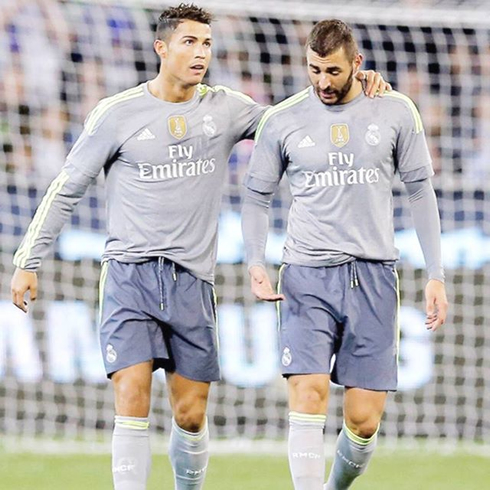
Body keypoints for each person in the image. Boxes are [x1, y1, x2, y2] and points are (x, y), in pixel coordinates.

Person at [10, 4, 390, 489]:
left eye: (206, 43)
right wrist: (29, 259)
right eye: (189, 42)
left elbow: (298, 118)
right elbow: (66, 187)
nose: (200, 53)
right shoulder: (117, 113)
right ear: (161, 48)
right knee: (131, 395)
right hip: (130, 274)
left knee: (190, 415)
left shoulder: (227, 107)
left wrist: (361, 89)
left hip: (193, 280)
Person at [242, 19, 448, 490]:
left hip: (373, 276)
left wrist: (435, 273)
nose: (322, 82)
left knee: (363, 421)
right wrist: (256, 260)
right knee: (308, 393)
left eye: (332, 71)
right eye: (313, 69)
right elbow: (256, 197)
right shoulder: (283, 119)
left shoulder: (395, 110)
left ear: (357, 64)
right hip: (306, 274)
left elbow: (420, 191)